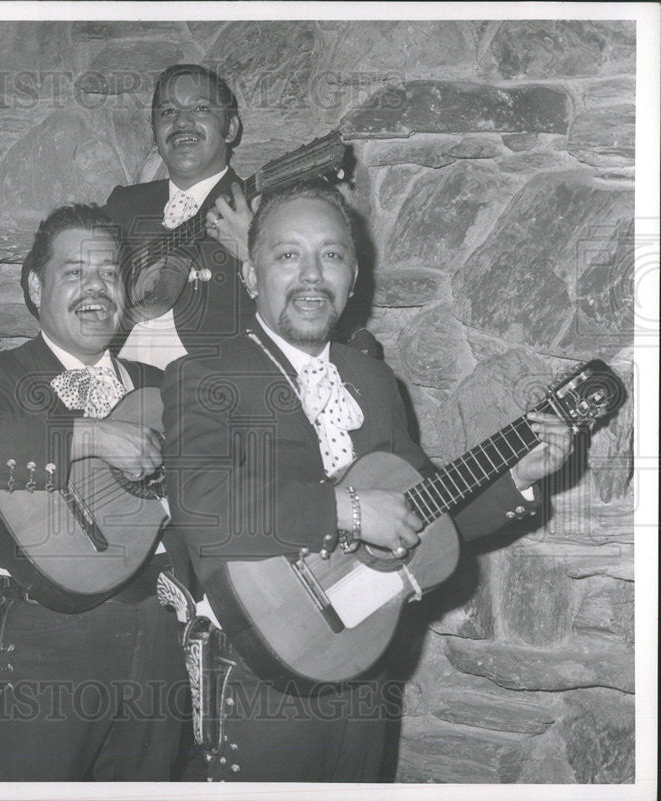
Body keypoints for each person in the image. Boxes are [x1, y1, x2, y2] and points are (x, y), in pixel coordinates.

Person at [160, 179, 575, 782]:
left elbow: (423, 511)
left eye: (330, 255)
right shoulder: (203, 376)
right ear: (251, 276)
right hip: (258, 680)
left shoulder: (374, 381)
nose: (310, 274)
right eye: (286, 255)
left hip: (366, 669)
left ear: (352, 279)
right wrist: (349, 511)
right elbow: (203, 507)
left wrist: (516, 479)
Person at [0, 204, 187, 781]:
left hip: (159, 634)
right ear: (34, 286)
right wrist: (94, 435)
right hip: (50, 639)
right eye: (74, 273)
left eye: (108, 273)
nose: (95, 288)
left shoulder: (163, 385)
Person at [104, 63, 254, 369]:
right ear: (156, 134)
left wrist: (253, 251)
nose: (182, 122)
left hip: (214, 397)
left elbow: (306, 310)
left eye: (200, 108)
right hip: (113, 387)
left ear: (231, 128)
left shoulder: (264, 210)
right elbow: (43, 277)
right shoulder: (124, 204)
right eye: (168, 112)